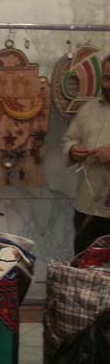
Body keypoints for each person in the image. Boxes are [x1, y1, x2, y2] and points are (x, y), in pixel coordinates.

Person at [63, 54, 110, 254]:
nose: (109, 85)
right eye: (107, 78)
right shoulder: (88, 109)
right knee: (82, 267)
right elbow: (69, 139)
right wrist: (73, 150)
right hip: (88, 210)